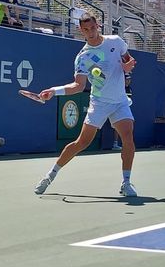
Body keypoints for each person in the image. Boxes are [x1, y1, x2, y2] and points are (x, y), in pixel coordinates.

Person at [33, 12, 138, 196]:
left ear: (98, 25)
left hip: (120, 100)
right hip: (99, 103)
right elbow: (78, 86)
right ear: (81, 31)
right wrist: (54, 91)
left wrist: (128, 67)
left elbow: (128, 60)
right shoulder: (83, 57)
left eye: (92, 28)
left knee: (128, 136)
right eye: (86, 30)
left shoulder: (116, 41)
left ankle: (126, 182)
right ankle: (50, 175)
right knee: (82, 142)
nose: (90, 32)